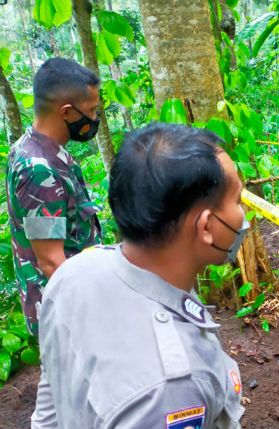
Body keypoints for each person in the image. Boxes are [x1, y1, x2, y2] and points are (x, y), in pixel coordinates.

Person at [32, 124, 246, 428]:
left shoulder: (73, 274)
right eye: (237, 200)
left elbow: (50, 399)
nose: (242, 212)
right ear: (207, 228)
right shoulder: (172, 390)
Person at [6, 57, 103, 336]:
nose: (95, 118)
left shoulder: (36, 147)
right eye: (92, 110)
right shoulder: (39, 171)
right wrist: (94, 314)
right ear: (67, 112)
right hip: (66, 313)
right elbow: (50, 261)